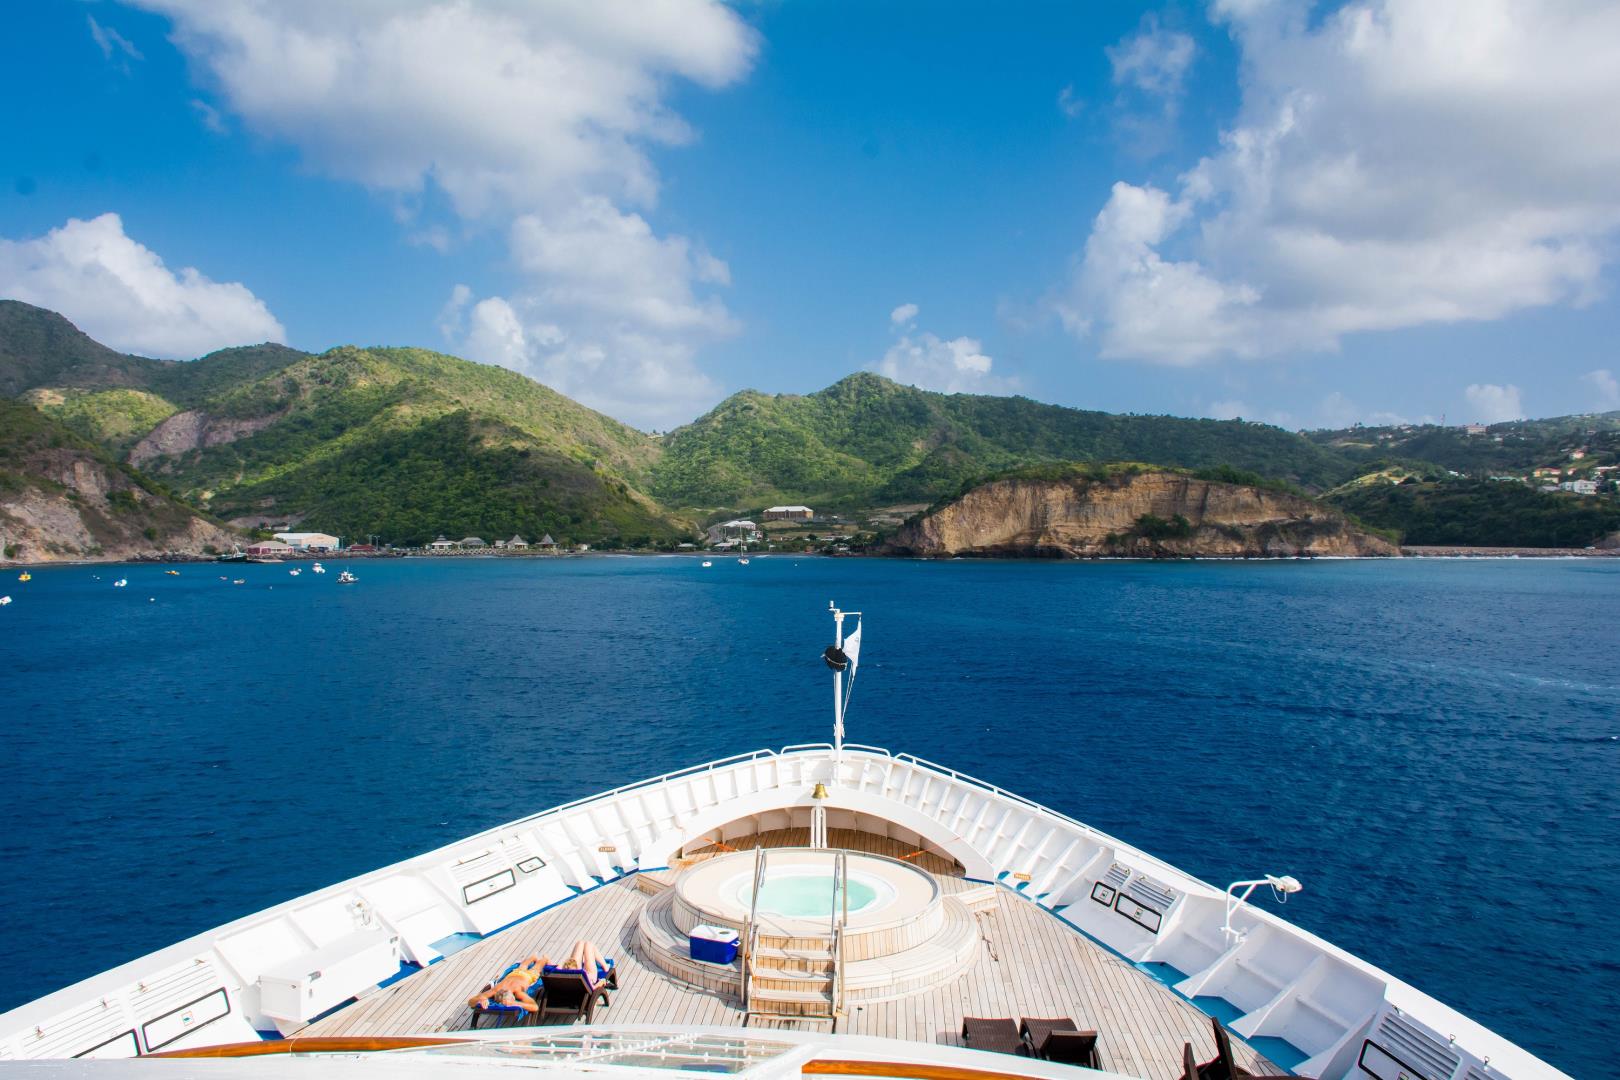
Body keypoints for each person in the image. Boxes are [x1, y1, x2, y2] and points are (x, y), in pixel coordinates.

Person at [466, 952, 545, 1013]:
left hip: (527, 976)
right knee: (523, 965)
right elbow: (470, 1002)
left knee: (538, 965)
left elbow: (535, 1007)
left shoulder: (518, 992)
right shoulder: (496, 990)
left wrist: (515, 1003)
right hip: (515, 974)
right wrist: (481, 999)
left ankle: (545, 958)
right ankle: (533, 957)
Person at [547, 938, 614, 989]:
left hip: (575, 976)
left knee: (580, 943)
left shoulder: (557, 974)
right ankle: (605, 966)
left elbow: (556, 967)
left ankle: (571, 969)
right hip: (588, 977)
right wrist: (601, 982)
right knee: (588, 945)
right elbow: (593, 988)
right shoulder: (582, 975)